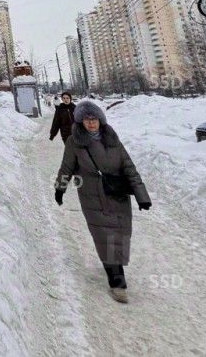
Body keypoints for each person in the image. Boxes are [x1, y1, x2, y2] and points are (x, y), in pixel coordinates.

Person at [53, 99, 151, 303]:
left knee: (120, 234)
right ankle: (117, 282)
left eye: (94, 119)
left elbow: (129, 167)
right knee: (104, 235)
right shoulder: (74, 142)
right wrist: (60, 189)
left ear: (101, 120)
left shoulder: (112, 138)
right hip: (93, 197)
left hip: (117, 194)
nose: (91, 123)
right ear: (81, 122)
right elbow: (66, 167)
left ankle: (115, 267)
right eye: (87, 119)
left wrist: (142, 196)